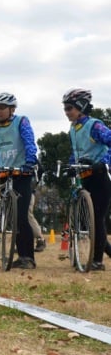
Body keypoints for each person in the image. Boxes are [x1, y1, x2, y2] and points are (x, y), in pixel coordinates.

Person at [62, 88, 111, 271]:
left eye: (69, 108)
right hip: (84, 179)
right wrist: (70, 166)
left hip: (99, 177)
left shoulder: (95, 125)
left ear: (81, 107)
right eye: (65, 109)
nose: (67, 112)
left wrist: (105, 162)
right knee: (87, 221)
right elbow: (76, 152)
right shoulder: (73, 129)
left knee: (97, 219)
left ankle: (97, 260)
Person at [0, 92, 39, 269]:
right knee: (12, 216)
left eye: (1, 108)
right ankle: (19, 255)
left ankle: (28, 257)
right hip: (4, 173)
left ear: (12, 109)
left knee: (22, 216)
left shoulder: (21, 122)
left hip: (22, 173)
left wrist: (30, 162)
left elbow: (29, 142)